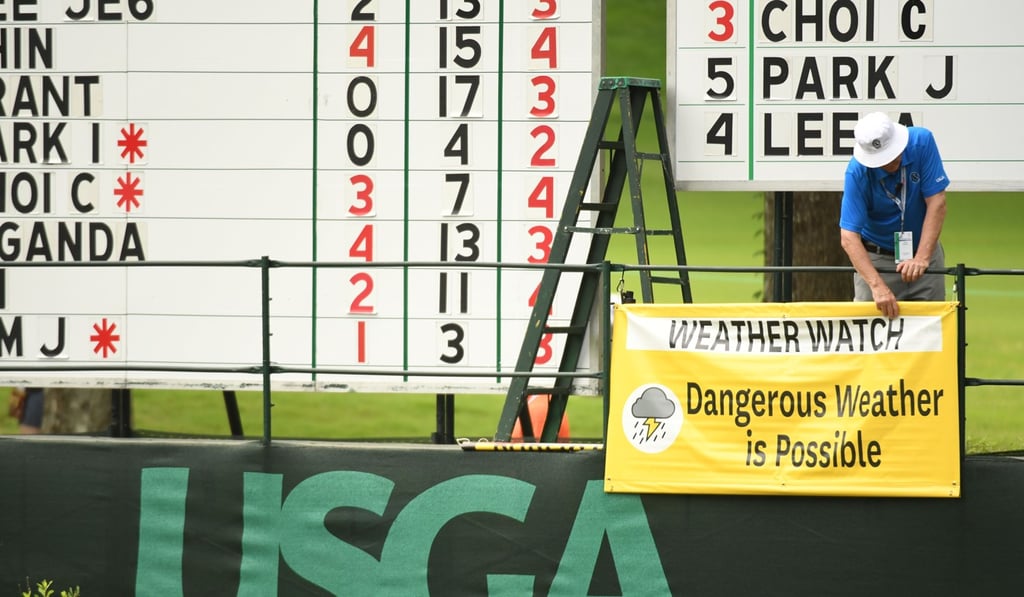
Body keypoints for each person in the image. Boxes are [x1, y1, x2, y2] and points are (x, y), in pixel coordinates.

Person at [839, 112, 950, 319]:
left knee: (932, 336)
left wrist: (922, 258)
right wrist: (876, 285)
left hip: (924, 255)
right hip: (875, 260)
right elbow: (848, 237)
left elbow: (937, 202)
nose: (892, 161)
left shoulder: (922, 142)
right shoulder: (856, 172)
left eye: (894, 153)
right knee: (871, 341)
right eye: (883, 158)